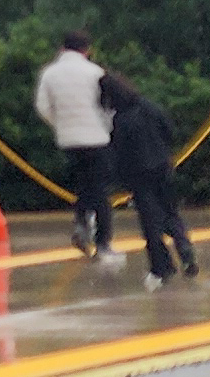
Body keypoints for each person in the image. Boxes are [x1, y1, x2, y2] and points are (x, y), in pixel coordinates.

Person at [101, 72, 198, 284]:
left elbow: (118, 152)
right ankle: (184, 247)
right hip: (162, 165)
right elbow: (168, 129)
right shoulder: (148, 106)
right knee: (170, 212)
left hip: (139, 174)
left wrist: (119, 178)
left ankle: (162, 266)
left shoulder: (120, 120)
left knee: (150, 222)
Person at [35, 33, 118, 257]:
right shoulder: (96, 72)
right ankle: (103, 243)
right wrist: (107, 127)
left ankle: (82, 223)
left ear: (62, 48)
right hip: (97, 138)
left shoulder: (49, 73)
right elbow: (108, 106)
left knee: (82, 184)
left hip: (68, 139)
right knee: (100, 190)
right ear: (87, 50)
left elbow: (43, 107)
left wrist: (60, 124)